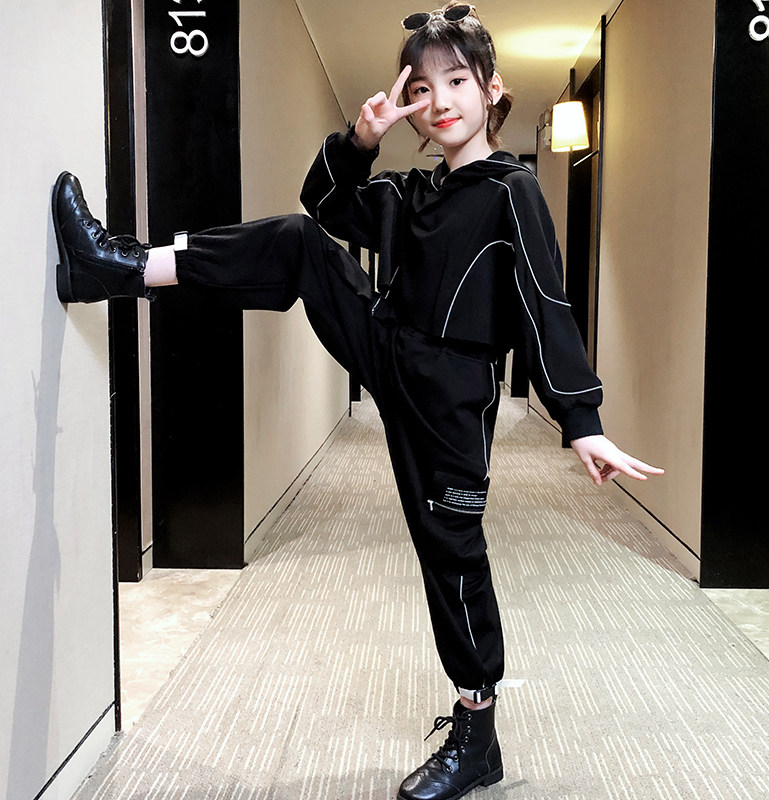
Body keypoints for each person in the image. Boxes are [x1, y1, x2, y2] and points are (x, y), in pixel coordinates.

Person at [52, 4, 663, 798]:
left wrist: (583, 421)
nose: (440, 100)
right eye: (422, 87)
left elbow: (546, 303)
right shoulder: (412, 191)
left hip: (452, 398)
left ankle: (478, 735)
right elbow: (327, 204)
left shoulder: (513, 190)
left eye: (457, 81)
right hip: (387, 344)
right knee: (297, 240)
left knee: (451, 555)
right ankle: (120, 268)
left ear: (490, 90)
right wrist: (360, 141)